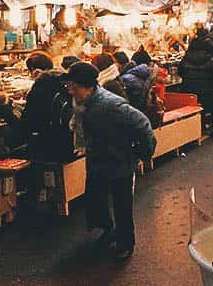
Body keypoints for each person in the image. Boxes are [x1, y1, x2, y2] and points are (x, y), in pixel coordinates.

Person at [66, 61, 156, 261]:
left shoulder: (111, 105)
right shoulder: (82, 102)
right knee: (97, 199)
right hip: (98, 159)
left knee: (122, 205)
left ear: (88, 87)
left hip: (119, 161)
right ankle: (108, 231)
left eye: (74, 86)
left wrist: (143, 152)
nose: (70, 90)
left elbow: (142, 123)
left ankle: (126, 243)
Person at [19, 53, 74, 162]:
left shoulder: (41, 86)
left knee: (14, 151)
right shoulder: (64, 82)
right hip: (69, 140)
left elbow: (27, 122)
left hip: (48, 143)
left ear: (34, 70)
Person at [179, 26, 213, 128]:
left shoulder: (186, 58)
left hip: (188, 90)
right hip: (207, 92)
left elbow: (180, 72)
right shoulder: (210, 60)